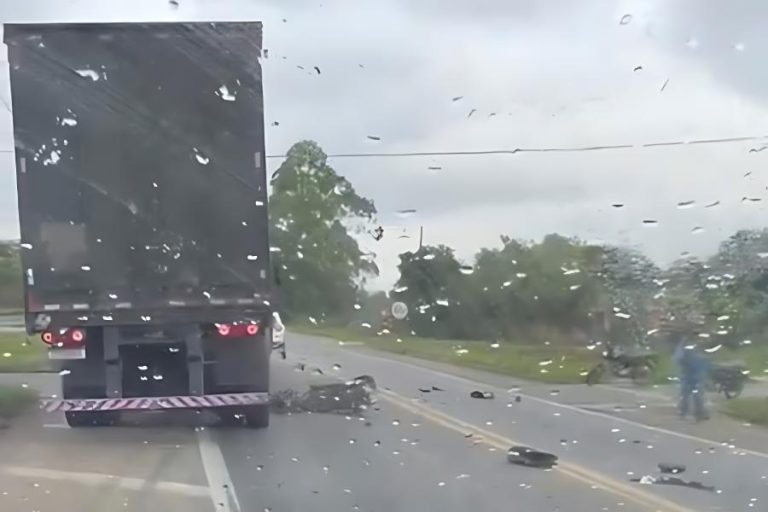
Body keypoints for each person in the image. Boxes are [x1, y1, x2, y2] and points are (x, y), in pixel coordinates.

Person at [673, 340, 710, 421]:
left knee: (694, 394)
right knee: (689, 394)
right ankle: (688, 411)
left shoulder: (691, 345)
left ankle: (696, 412)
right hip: (690, 375)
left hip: (693, 375)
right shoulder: (686, 345)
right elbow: (678, 359)